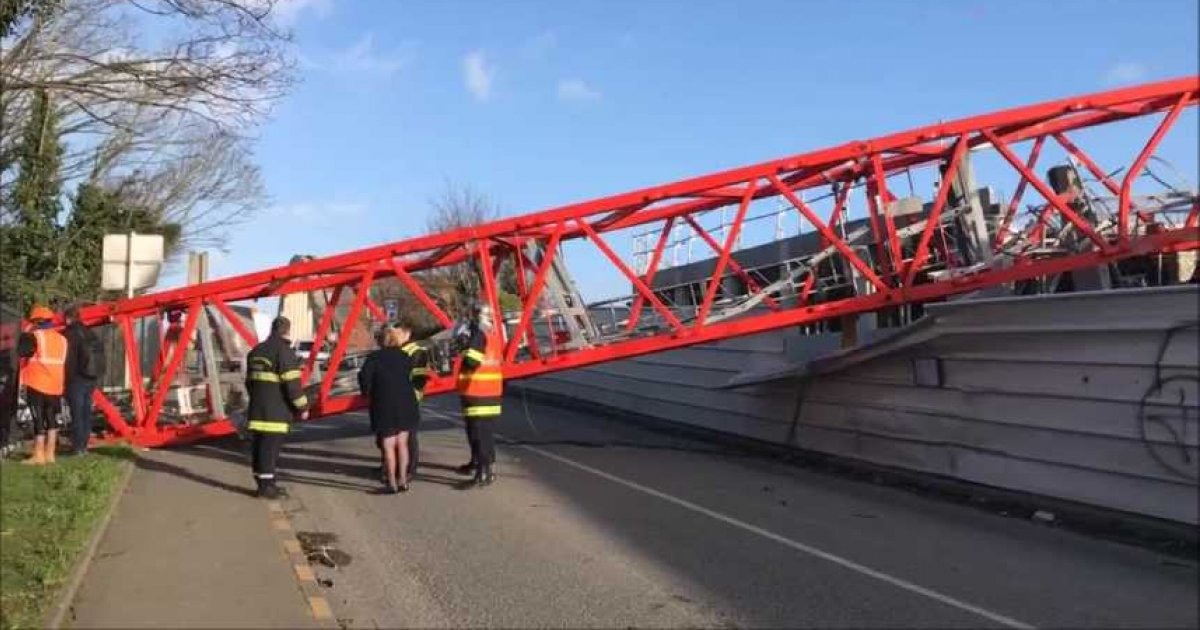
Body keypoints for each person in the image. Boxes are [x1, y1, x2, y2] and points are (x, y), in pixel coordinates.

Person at [245, 316, 309, 499]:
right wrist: (302, 407)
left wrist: (258, 399)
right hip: (276, 412)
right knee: (269, 450)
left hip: (257, 409)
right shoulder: (284, 352)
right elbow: (292, 386)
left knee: (259, 447)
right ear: (287, 331)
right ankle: (267, 488)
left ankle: (264, 484)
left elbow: (249, 382)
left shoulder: (256, 351)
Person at [359, 322, 420, 494]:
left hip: (384, 404)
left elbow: (365, 379)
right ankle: (403, 480)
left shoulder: (374, 358)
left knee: (388, 445)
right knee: (402, 444)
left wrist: (367, 392)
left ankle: (391, 482)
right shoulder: (405, 357)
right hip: (406, 404)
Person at [455, 302, 503, 487]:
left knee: (479, 433)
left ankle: (485, 471)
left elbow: (472, 362)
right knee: (480, 432)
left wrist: (463, 348)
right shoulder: (493, 336)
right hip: (488, 391)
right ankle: (478, 464)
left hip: (478, 391)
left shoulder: (478, 335)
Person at [375, 323, 430, 483]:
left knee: (408, 438)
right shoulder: (396, 350)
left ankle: (409, 470)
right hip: (393, 399)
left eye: (396, 332)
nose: (393, 335)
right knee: (387, 436)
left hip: (408, 399)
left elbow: (419, 379)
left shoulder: (417, 351)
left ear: (406, 333)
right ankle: (388, 466)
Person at [17, 305, 67, 465]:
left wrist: (26, 333)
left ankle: (38, 455)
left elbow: (22, 352)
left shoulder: (35, 336)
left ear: (36, 321)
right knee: (51, 418)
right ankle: (50, 454)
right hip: (56, 385)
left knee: (38, 418)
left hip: (37, 383)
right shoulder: (62, 339)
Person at [63, 305, 102, 455]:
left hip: (76, 379)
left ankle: (78, 447)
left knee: (77, 414)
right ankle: (84, 445)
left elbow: (69, 360)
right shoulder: (90, 333)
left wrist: (66, 379)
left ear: (68, 319)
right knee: (86, 413)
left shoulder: (69, 334)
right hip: (91, 378)